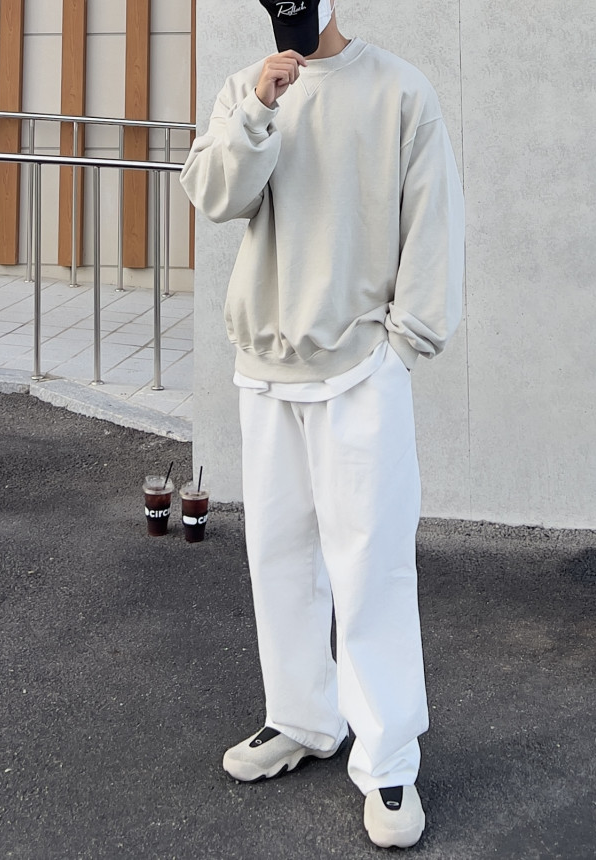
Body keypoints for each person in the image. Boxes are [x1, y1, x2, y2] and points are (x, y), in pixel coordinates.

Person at [180, 0, 464, 848]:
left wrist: (403, 345)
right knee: (279, 554)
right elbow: (214, 194)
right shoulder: (247, 87)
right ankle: (302, 718)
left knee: (371, 568)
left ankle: (389, 761)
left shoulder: (399, 90)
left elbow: (434, 221)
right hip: (264, 366)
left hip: (358, 370)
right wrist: (259, 110)